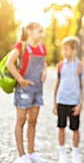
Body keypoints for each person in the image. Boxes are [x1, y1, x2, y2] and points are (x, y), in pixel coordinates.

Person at [6, 22, 47, 163]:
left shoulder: (42, 47)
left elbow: (44, 63)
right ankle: (21, 155)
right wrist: (21, 80)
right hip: (24, 90)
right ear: (29, 31)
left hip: (37, 90)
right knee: (21, 121)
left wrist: (45, 72)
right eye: (39, 31)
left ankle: (31, 153)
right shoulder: (21, 46)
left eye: (42, 31)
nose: (42, 34)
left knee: (33, 121)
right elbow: (9, 63)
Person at [53, 36, 84, 163]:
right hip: (62, 101)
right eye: (63, 49)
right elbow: (57, 84)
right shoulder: (60, 65)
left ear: (74, 50)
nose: (64, 52)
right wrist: (54, 103)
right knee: (61, 127)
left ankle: (75, 153)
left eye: (66, 49)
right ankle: (62, 153)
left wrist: (80, 104)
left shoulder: (81, 66)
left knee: (75, 129)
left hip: (74, 102)